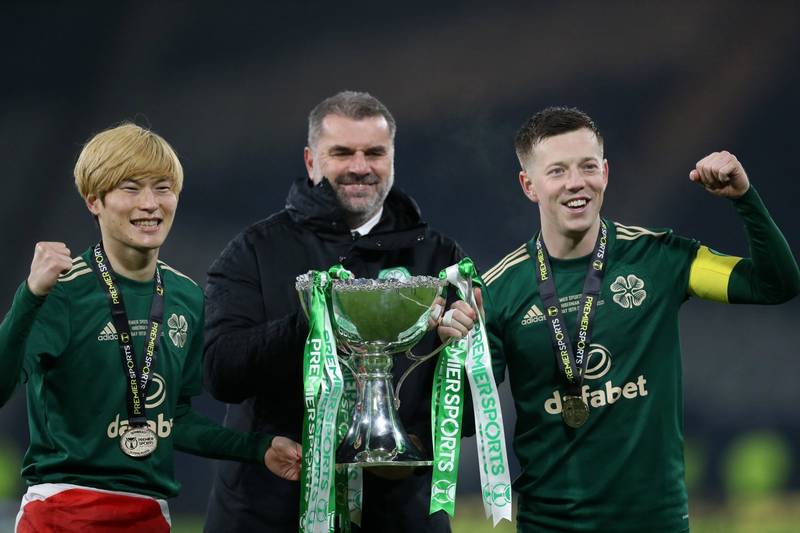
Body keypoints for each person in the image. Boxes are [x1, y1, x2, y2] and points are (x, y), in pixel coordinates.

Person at [472, 106, 799, 532]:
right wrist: (453, 343)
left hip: (655, 523)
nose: (576, 183)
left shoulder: (658, 259)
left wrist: (745, 199)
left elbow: (775, 285)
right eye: (557, 171)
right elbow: (467, 420)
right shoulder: (498, 291)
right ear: (529, 185)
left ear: (605, 173)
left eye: (588, 166)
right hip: (551, 527)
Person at [202, 90, 465, 532]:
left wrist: (460, 352)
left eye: (374, 153)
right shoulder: (254, 250)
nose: (359, 167)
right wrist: (313, 321)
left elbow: (471, 417)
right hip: (271, 510)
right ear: (311, 161)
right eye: (341, 152)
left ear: (392, 159)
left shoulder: (440, 258)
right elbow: (220, 372)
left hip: (398, 514)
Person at [0, 123, 283, 532]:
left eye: (163, 188)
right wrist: (29, 295)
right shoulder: (61, 291)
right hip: (63, 510)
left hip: (149, 514)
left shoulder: (185, 296)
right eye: (131, 189)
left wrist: (259, 449)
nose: (150, 204)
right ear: (94, 200)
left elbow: (174, 418)